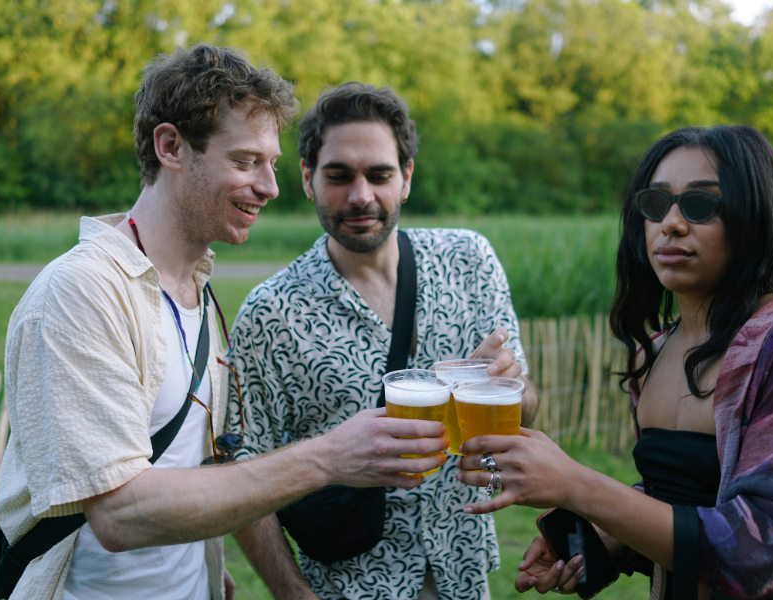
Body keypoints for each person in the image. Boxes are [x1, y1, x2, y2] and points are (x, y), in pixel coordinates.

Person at [0, 46, 451, 600]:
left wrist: (204, 570)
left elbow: (192, 462)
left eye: (272, 164)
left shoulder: (197, 291)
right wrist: (328, 457)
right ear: (170, 147)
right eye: (244, 161)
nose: (270, 187)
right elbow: (120, 513)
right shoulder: (82, 292)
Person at [226, 82, 539, 600]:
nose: (361, 196)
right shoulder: (271, 312)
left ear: (407, 177)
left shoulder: (470, 262)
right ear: (306, 177)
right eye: (338, 175)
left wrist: (509, 388)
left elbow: (525, 408)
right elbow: (242, 478)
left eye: (379, 174)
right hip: (348, 585)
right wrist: (296, 595)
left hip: (463, 576)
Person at [456, 125, 773, 599]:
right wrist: (606, 540)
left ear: (755, 216)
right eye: (656, 203)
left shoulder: (770, 346)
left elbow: (759, 554)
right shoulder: (651, 354)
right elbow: (686, 503)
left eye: (701, 204)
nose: (671, 223)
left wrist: (575, 484)